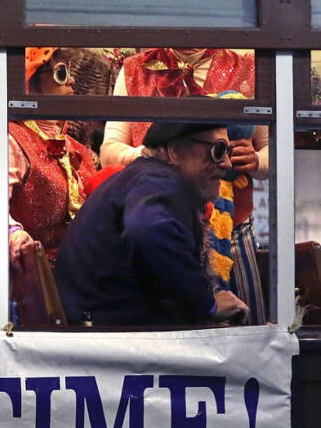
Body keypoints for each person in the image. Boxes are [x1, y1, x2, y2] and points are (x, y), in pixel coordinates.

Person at [99, 49, 267, 322]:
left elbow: (275, 151)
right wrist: (157, 155)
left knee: (248, 325)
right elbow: (109, 151)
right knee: (175, 330)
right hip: (165, 226)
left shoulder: (247, 66)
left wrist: (256, 160)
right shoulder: (133, 69)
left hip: (233, 229)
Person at [54, 121, 249, 327]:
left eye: (228, 151)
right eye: (217, 150)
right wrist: (205, 303)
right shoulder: (159, 182)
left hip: (102, 322)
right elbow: (147, 231)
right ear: (175, 151)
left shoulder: (146, 178)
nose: (227, 163)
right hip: (113, 335)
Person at [0, 48, 97, 265]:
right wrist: (14, 234)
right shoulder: (10, 138)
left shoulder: (78, 150)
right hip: (20, 275)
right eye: (61, 73)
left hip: (70, 276)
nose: (72, 80)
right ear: (31, 80)